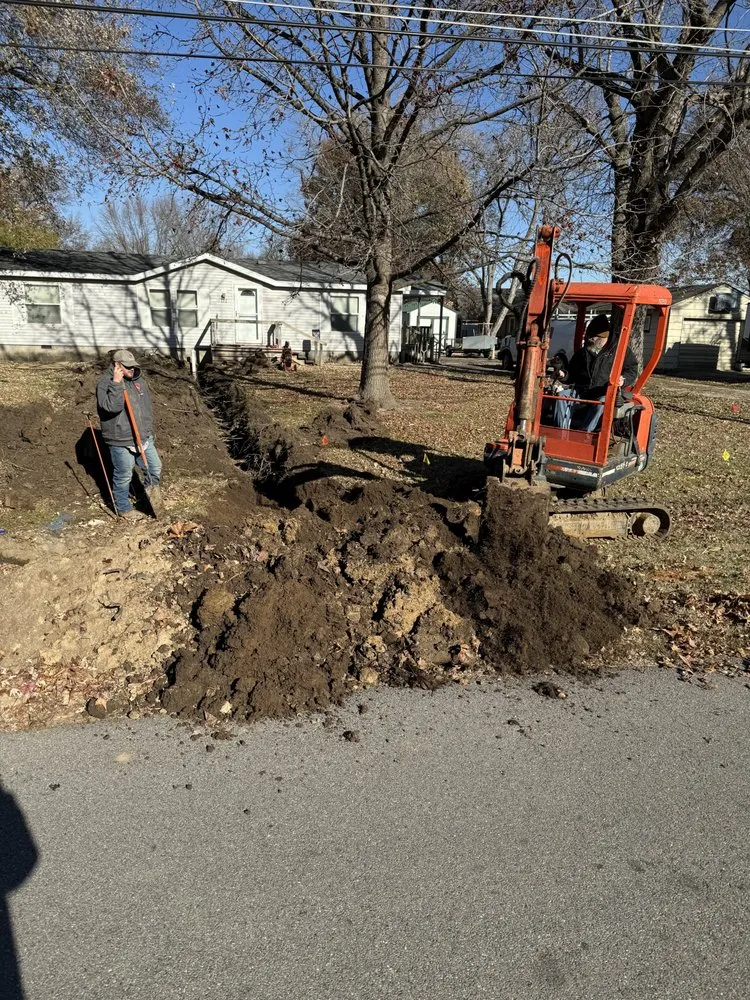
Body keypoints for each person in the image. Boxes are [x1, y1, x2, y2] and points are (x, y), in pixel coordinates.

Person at [95, 349, 162, 519]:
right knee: (124, 475)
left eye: (133, 366)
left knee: (154, 467)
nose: (132, 369)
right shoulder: (105, 383)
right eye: (127, 367)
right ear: (117, 365)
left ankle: (147, 499)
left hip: (143, 436)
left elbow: (146, 409)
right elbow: (111, 407)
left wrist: (147, 431)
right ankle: (123, 508)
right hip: (120, 438)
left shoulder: (139, 381)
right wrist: (116, 384)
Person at [553, 315, 639, 431]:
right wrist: (563, 375)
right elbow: (572, 374)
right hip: (582, 391)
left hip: (605, 392)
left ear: (603, 337)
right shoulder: (583, 353)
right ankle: (561, 431)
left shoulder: (621, 350)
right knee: (562, 396)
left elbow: (632, 370)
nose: (590, 339)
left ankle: (585, 433)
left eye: (593, 337)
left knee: (602, 402)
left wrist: (623, 379)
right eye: (589, 336)